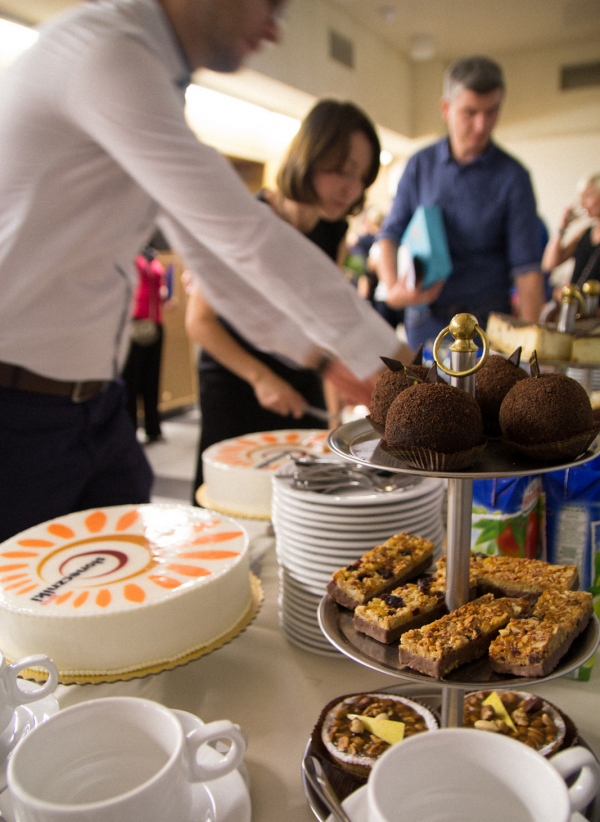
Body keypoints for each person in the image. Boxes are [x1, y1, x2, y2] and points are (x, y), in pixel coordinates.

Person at [0, 0, 408, 543]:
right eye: (269, 4)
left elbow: (213, 263)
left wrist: (321, 356)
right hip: (16, 408)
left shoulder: (151, 76)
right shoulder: (109, 53)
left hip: (95, 404)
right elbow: (243, 233)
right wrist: (396, 361)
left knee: (123, 584)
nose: (274, 29)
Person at [186, 99, 381, 495]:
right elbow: (199, 322)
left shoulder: (332, 231)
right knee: (234, 496)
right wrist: (261, 378)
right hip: (237, 379)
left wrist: (333, 413)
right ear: (310, 157)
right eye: (343, 172)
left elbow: (324, 328)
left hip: (301, 376)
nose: (351, 188)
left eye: (361, 176)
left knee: (305, 494)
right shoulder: (253, 220)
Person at [376, 55, 544, 349]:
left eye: (491, 112)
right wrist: (393, 289)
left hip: (485, 327)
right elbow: (388, 235)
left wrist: (532, 354)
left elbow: (527, 271)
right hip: (425, 322)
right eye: (470, 112)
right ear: (446, 108)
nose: (481, 125)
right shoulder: (419, 165)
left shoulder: (513, 177)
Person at [122, 245, 171, 444]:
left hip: (155, 323)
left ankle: (153, 428)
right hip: (135, 324)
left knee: (152, 380)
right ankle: (130, 431)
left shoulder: (152, 257)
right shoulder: (129, 254)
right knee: (131, 383)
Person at [542, 174, 600, 288]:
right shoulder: (585, 233)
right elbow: (549, 264)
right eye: (581, 197)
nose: (582, 202)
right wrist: (562, 228)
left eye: (588, 196)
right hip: (576, 303)